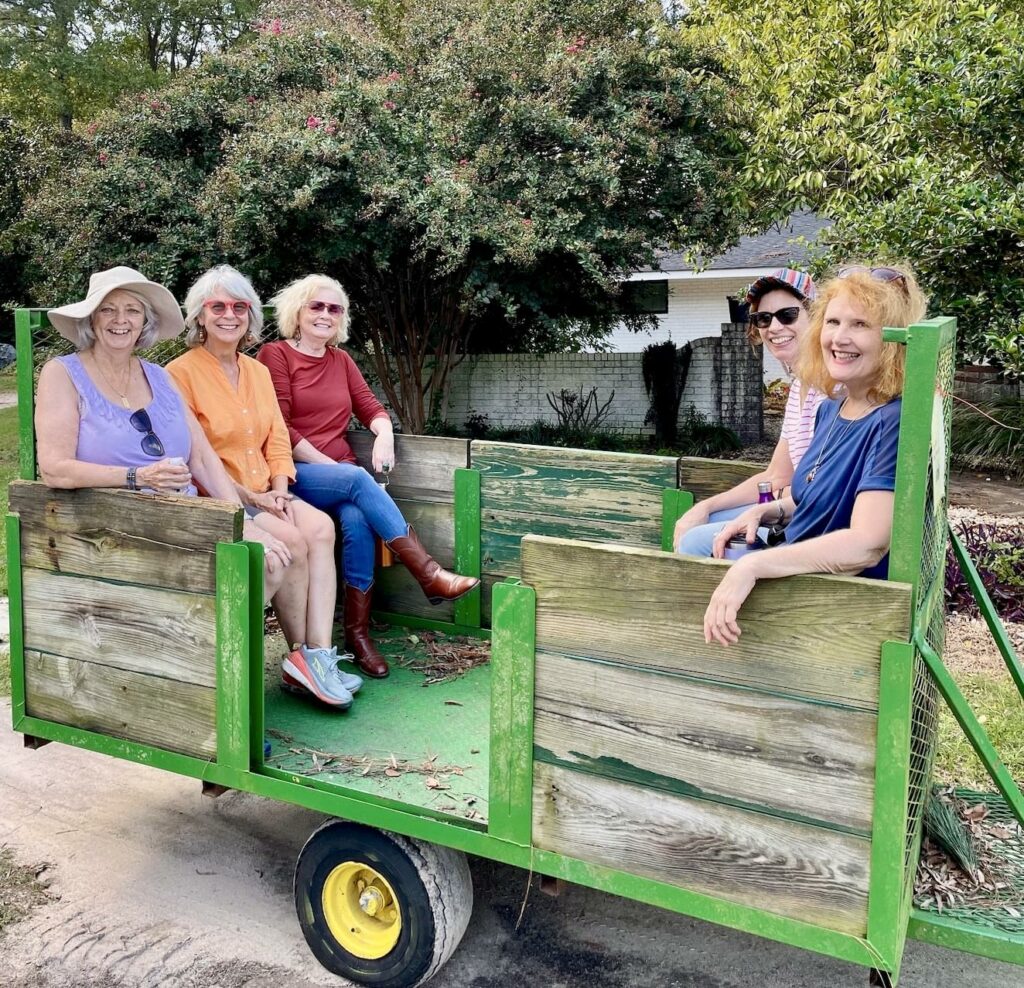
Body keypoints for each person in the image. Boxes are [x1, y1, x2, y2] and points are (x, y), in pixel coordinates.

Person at [35, 265, 295, 612]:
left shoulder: (160, 377)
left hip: (181, 514)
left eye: (132, 310)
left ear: (145, 321)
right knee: (251, 567)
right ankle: (206, 650)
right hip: (112, 526)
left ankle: (216, 653)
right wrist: (137, 477)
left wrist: (242, 521)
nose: (120, 320)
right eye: (108, 309)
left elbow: (202, 458)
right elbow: (54, 469)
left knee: (270, 558)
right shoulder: (63, 373)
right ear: (91, 319)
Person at [257, 273, 479, 679]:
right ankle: (429, 574)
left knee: (358, 518)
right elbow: (280, 429)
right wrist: (333, 467)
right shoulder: (276, 356)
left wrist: (385, 434)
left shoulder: (341, 361)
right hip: (296, 472)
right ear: (298, 312)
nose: (325, 314)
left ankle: (358, 635)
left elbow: (370, 407)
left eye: (334, 308)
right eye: (317, 306)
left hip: (340, 477)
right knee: (358, 481)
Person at [167, 265, 362, 709]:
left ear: (250, 315)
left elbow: (277, 435)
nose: (229, 315)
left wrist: (279, 487)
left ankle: (318, 656)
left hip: (267, 489)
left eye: (239, 307)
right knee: (292, 540)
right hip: (223, 497)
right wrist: (254, 498)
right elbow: (197, 457)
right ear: (200, 316)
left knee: (320, 530)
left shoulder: (256, 371)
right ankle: (302, 662)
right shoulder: (180, 373)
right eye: (218, 306)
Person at [702, 264, 927, 647]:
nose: (839, 337)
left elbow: (866, 543)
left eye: (860, 325)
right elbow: (815, 494)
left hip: (835, 606)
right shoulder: (831, 410)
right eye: (833, 321)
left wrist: (753, 565)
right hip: (797, 562)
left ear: (893, 340)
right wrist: (768, 511)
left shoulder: (893, 420)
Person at [675, 268, 824, 555]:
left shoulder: (832, 389)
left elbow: (819, 489)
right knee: (702, 522)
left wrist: (773, 503)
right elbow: (778, 475)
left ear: (816, 317)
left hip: (816, 529)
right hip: (796, 511)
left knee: (695, 543)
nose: (774, 327)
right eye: (763, 319)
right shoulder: (800, 389)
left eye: (788, 315)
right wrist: (705, 506)